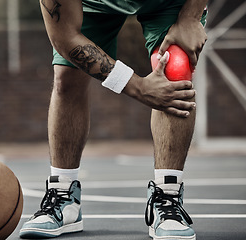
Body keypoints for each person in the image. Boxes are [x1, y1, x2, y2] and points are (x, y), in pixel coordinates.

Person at [19, 0, 207, 239]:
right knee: (67, 77)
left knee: (176, 67)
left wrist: (190, 17)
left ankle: (167, 196)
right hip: (94, 3)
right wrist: (138, 87)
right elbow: (65, 38)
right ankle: (64, 193)